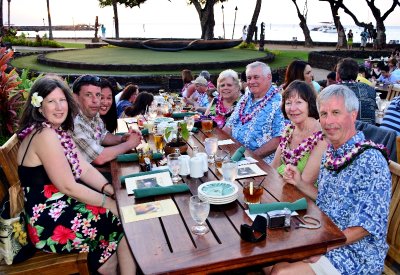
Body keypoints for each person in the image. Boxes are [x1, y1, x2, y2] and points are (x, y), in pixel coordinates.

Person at [265, 84, 391, 275]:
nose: (328, 121)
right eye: (324, 114)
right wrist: (299, 183)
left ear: (353, 115)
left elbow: (367, 226)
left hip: (356, 252)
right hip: (323, 232)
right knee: (265, 256)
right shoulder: (332, 151)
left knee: (281, 272)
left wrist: (324, 246)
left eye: (336, 112)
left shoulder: (371, 160)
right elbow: (325, 197)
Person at [17, 76, 136, 274]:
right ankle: (109, 267)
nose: (59, 107)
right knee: (121, 219)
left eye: (62, 100)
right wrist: (108, 202)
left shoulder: (57, 131)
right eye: (51, 101)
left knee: (120, 216)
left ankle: (107, 266)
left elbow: (85, 168)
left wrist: (110, 190)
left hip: (61, 206)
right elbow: (68, 186)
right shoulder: (44, 135)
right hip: (48, 222)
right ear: (39, 106)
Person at [271, 80, 326, 199]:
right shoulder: (289, 130)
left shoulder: (321, 138)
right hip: (281, 191)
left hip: (305, 202)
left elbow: (304, 182)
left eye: (299, 102)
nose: (292, 108)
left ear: (310, 104)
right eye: (288, 103)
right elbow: (273, 167)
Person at [71, 74, 142, 166]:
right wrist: (129, 144)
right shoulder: (75, 123)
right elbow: (99, 158)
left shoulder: (92, 114)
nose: (95, 100)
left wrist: (122, 139)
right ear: (75, 98)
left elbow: (102, 135)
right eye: (88, 95)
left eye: (97, 95)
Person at [223, 61, 285, 163]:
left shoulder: (279, 102)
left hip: (261, 163)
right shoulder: (245, 98)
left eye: (256, 77)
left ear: (269, 77)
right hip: (234, 154)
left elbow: (279, 139)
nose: (251, 82)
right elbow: (229, 126)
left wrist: (249, 158)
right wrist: (220, 145)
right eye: (249, 78)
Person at [335, 57, 376, 124]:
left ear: (338, 74)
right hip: (369, 131)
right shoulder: (370, 89)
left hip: (345, 131)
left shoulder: (332, 91)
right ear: (357, 74)